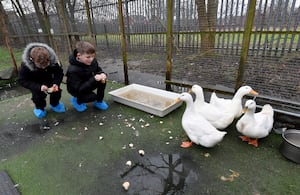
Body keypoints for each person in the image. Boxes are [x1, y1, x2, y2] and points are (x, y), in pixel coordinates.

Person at [18, 42, 66, 118]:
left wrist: (56, 83)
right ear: (32, 60)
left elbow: (59, 73)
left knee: (56, 91)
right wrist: (38, 87)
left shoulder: (53, 61)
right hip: (35, 82)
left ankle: (55, 104)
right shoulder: (25, 66)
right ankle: (39, 108)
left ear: (49, 58)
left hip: (49, 79)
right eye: (40, 65)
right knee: (37, 96)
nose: (43, 67)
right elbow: (22, 80)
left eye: (46, 64)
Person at [66, 41, 108, 112]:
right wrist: (94, 79)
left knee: (102, 81)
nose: (91, 59)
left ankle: (99, 101)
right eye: (88, 57)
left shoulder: (92, 61)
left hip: (88, 82)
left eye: (93, 56)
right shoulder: (73, 70)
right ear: (79, 56)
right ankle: (77, 100)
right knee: (92, 97)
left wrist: (102, 73)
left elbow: (98, 69)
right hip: (76, 89)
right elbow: (80, 89)